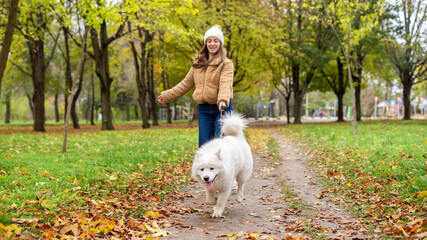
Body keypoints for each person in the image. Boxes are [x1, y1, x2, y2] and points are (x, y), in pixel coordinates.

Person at [157, 25, 234, 147]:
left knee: (222, 146)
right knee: (204, 147)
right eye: (209, 41)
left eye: (215, 41)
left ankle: (226, 167)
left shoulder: (226, 63)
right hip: (204, 110)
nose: (212, 44)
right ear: (206, 43)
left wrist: (223, 100)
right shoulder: (198, 64)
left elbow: (226, 83)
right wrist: (167, 95)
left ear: (220, 43)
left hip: (222, 108)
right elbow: (184, 84)